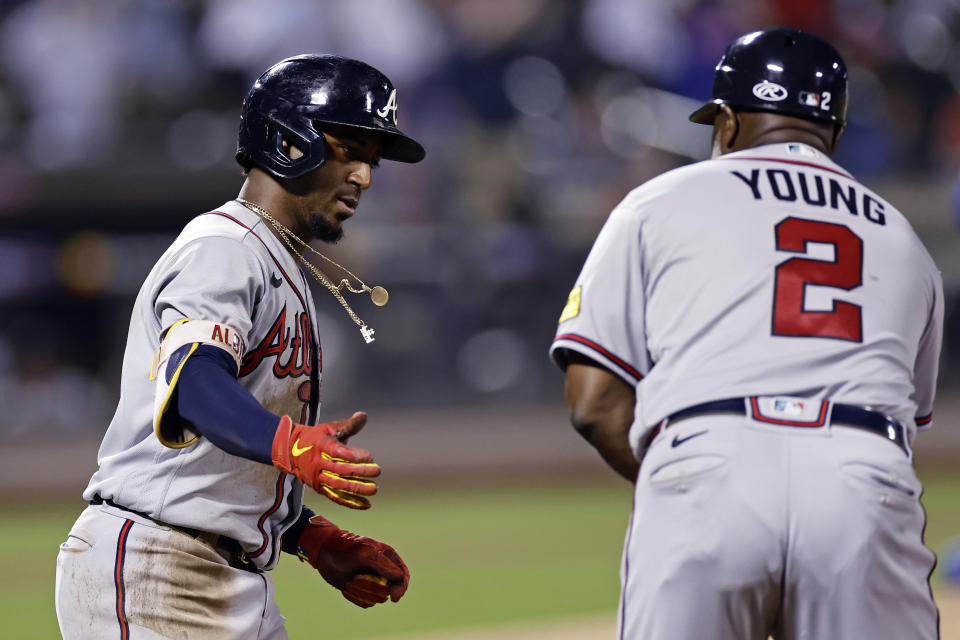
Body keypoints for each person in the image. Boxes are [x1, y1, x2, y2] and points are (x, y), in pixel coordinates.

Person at [550, 28, 943, 639]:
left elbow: (594, 403)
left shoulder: (656, 201)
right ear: (833, 133)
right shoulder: (905, 241)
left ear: (727, 123)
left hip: (709, 457)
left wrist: (688, 482)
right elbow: (907, 420)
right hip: (864, 476)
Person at [55, 54, 426, 639]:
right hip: (157, 569)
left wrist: (309, 535)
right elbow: (196, 383)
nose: (365, 177)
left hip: (224, 574)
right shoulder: (223, 247)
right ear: (287, 141)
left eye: (372, 160)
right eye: (350, 149)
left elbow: (215, 465)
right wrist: (290, 444)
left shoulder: (276, 264)